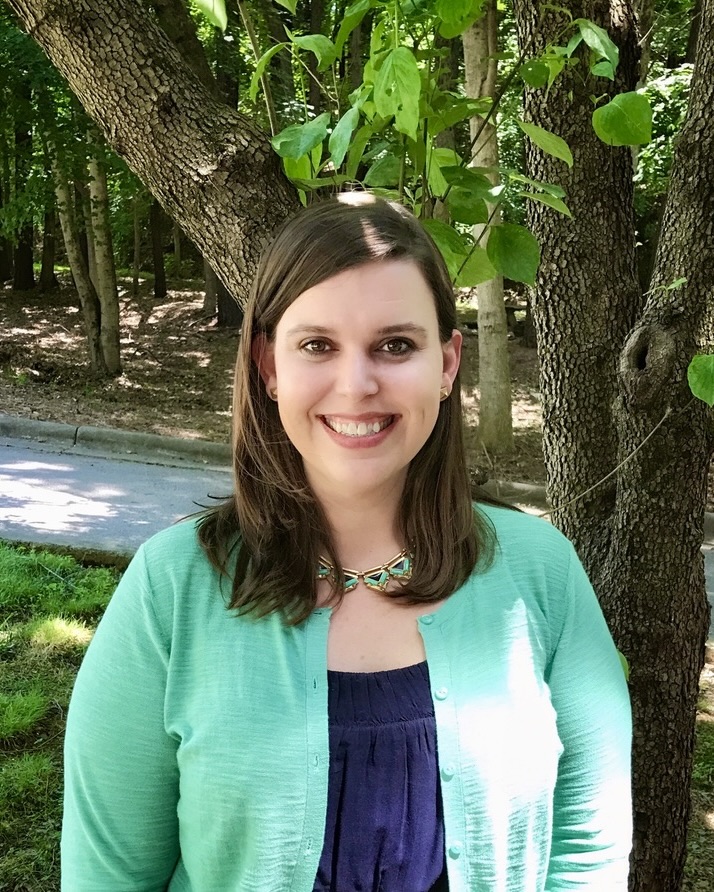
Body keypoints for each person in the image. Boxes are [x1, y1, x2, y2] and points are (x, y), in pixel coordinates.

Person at [61, 193, 632, 892]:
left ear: (448, 364)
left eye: (396, 345)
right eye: (317, 345)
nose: (357, 385)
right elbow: (108, 875)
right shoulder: (171, 589)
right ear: (270, 367)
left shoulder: (540, 575)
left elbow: (586, 855)